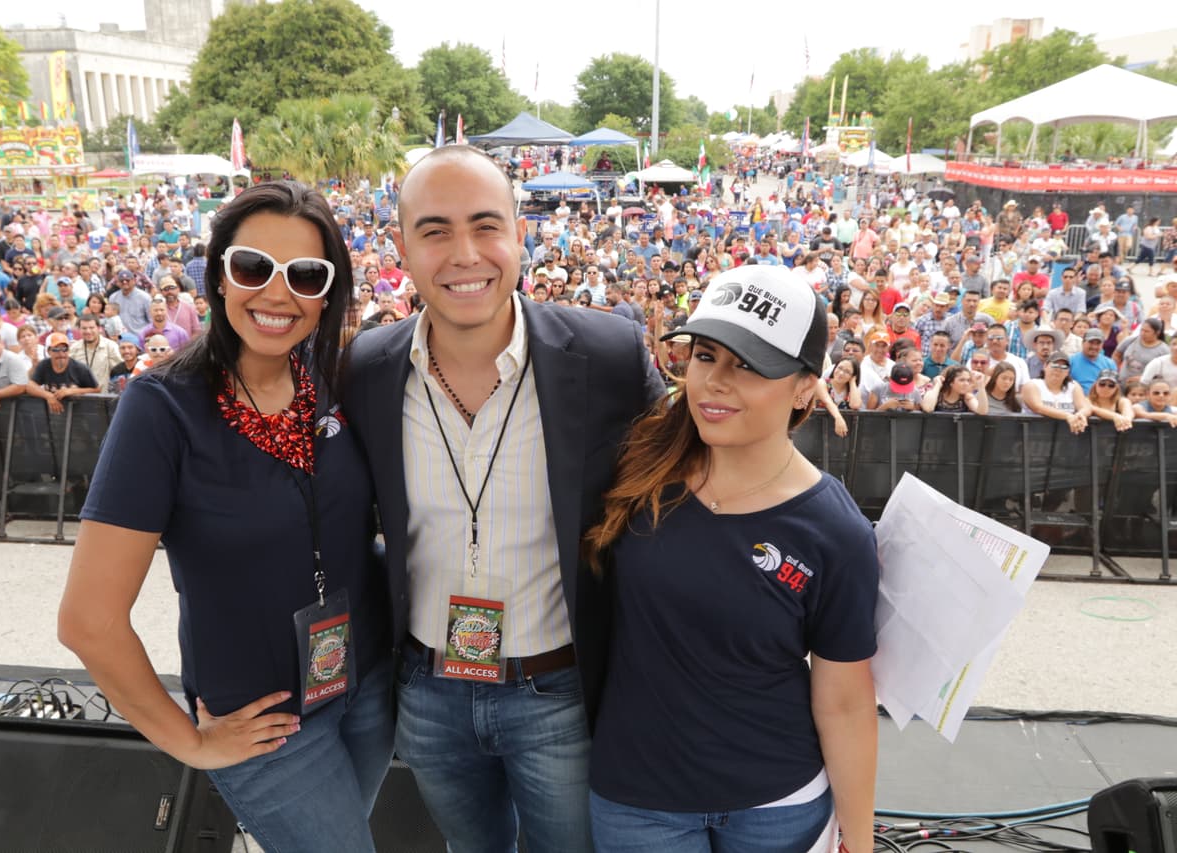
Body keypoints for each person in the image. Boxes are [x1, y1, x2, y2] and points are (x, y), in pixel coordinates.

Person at [343, 145, 664, 853]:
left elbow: (689, 459)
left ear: (520, 233)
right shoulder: (366, 368)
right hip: (427, 693)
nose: (465, 254)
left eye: (486, 225)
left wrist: (779, 402)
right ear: (401, 246)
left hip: (558, 693)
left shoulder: (607, 353)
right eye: (434, 230)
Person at [58, 182, 394, 853]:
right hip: (263, 721)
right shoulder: (161, 407)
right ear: (217, 275)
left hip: (366, 684)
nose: (277, 293)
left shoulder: (336, 378)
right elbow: (88, 621)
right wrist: (190, 741)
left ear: (328, 291)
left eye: (304, 275)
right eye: (252, 267)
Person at [583, 263, 878, 853]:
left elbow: (844, 700)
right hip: (638, 800)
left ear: (804, 387)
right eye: (705, 355)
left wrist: (860, 839)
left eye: (747, 364)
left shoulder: (836, 531)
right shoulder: (639, 471)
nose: (715, 381)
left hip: (778, 804)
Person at [1022, 351, 1091, 433]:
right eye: (1055, 365)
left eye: (1064, 367)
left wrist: (1080, 415)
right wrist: (1068, 416)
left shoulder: (1074, 386)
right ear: (1045, 366)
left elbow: (1086, 408)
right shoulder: (1032, 385)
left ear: (1068, 372)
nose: (1058, 369)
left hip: (1064, 436)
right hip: (1034, 434)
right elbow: (1038, 408)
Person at [71, 313, 124, 392]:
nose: (88, 331)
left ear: (99, 328)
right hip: (79, 397)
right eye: (84, 328)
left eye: (91, 328)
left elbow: (120, 372)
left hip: (103, 397)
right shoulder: (74, 348)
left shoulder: (111, 346)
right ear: (79, 329)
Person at [922, 365, 988, 414]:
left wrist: (981, 386)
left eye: (968, 380)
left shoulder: (966, 397)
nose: (966, 383)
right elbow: (928, 408)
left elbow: (982, 411)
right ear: (951, 382)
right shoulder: (936, 394)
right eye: (962, 380)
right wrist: (938, 385)